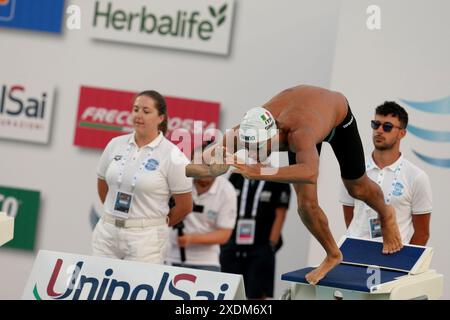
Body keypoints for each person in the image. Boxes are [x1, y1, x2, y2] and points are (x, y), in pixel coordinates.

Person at [186, 85, 403, 285]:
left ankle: (386, 213)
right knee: (306, 205)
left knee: (356, 188)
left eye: (259, 148)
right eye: (250, 148)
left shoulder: (299, 132)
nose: (254, 154)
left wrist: (259, 172)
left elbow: (309, 172)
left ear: (275, 134)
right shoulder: (241, 131)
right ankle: (333, 255)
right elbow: (206, 163)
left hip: (336, 116)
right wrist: (182, 169)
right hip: (302, 110)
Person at [93, 90, 193, 264]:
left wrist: (155, 224)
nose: (139, 115)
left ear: (161, 117)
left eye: (146, 111)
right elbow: (103, 187)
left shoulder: (173, 155)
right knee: (99, 288)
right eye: (136, 109)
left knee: (136, 288)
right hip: (107, 233)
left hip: (146, 239)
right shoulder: (115, 144)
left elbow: (184, 206)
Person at [340, 101, 432, 245]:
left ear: (402, 133)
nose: (379, 130)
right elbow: (349, 217)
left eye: (387, 127)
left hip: (393, 256)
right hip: (355, 252)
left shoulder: (416, 177)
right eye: (375, 124)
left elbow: (422, 233)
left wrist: (402, 261)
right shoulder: (354, 168)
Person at [220, 173, 290, 299]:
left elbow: (281, 214)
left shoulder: (278, 177)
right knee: (229, 292)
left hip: (261, 245)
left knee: (256, 293)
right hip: (233, 244)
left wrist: (271, 245)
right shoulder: (236, 176)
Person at [166, 147, 237, 271]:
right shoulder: (179, 182)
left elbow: (224, 234)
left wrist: (191, 239)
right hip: (170, 257)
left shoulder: (227, 191)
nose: (206, 169)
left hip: (207, 261)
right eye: (201, 164)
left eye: (210, 164)